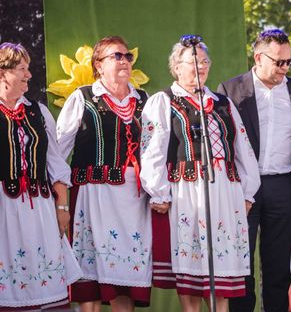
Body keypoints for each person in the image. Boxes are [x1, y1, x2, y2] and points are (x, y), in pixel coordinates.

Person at [139, 40, 260, 312]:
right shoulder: (165, 101)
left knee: (222, 276)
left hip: (224, 192)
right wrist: (158, 191)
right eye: (193, 62)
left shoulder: (222, 103)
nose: (200, 67)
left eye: (205, 61)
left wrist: (247, 191)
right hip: (188, 192)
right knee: (192, 275)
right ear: (176, 67)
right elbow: (152, 149)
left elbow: (242, 147)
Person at [217, 29, 291, 312]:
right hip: (244, 186)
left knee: (279, 267)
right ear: (258, 58)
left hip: (283, 186)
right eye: (278, 62)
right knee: (241, 264)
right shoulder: (231, 91)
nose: (285, 68)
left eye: (289, 62)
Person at [56, 36, 151, 311]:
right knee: (93, 279)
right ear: (98, 65)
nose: (124, 61)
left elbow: (154, 150)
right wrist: (58, 199)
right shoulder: (83, 97)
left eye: (127, 56)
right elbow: (58, 152)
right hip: (94, 195)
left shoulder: (143, 100)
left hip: (135, 201)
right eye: (116, 56)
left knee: (127, 278)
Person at [0, 42, 82, 310]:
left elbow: (56, 164)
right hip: (4, 209)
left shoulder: (38, 111)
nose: (29, 75)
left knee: (44, 275)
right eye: (22, 69)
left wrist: (62, 208)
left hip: (40, 208)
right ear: (3, 73)